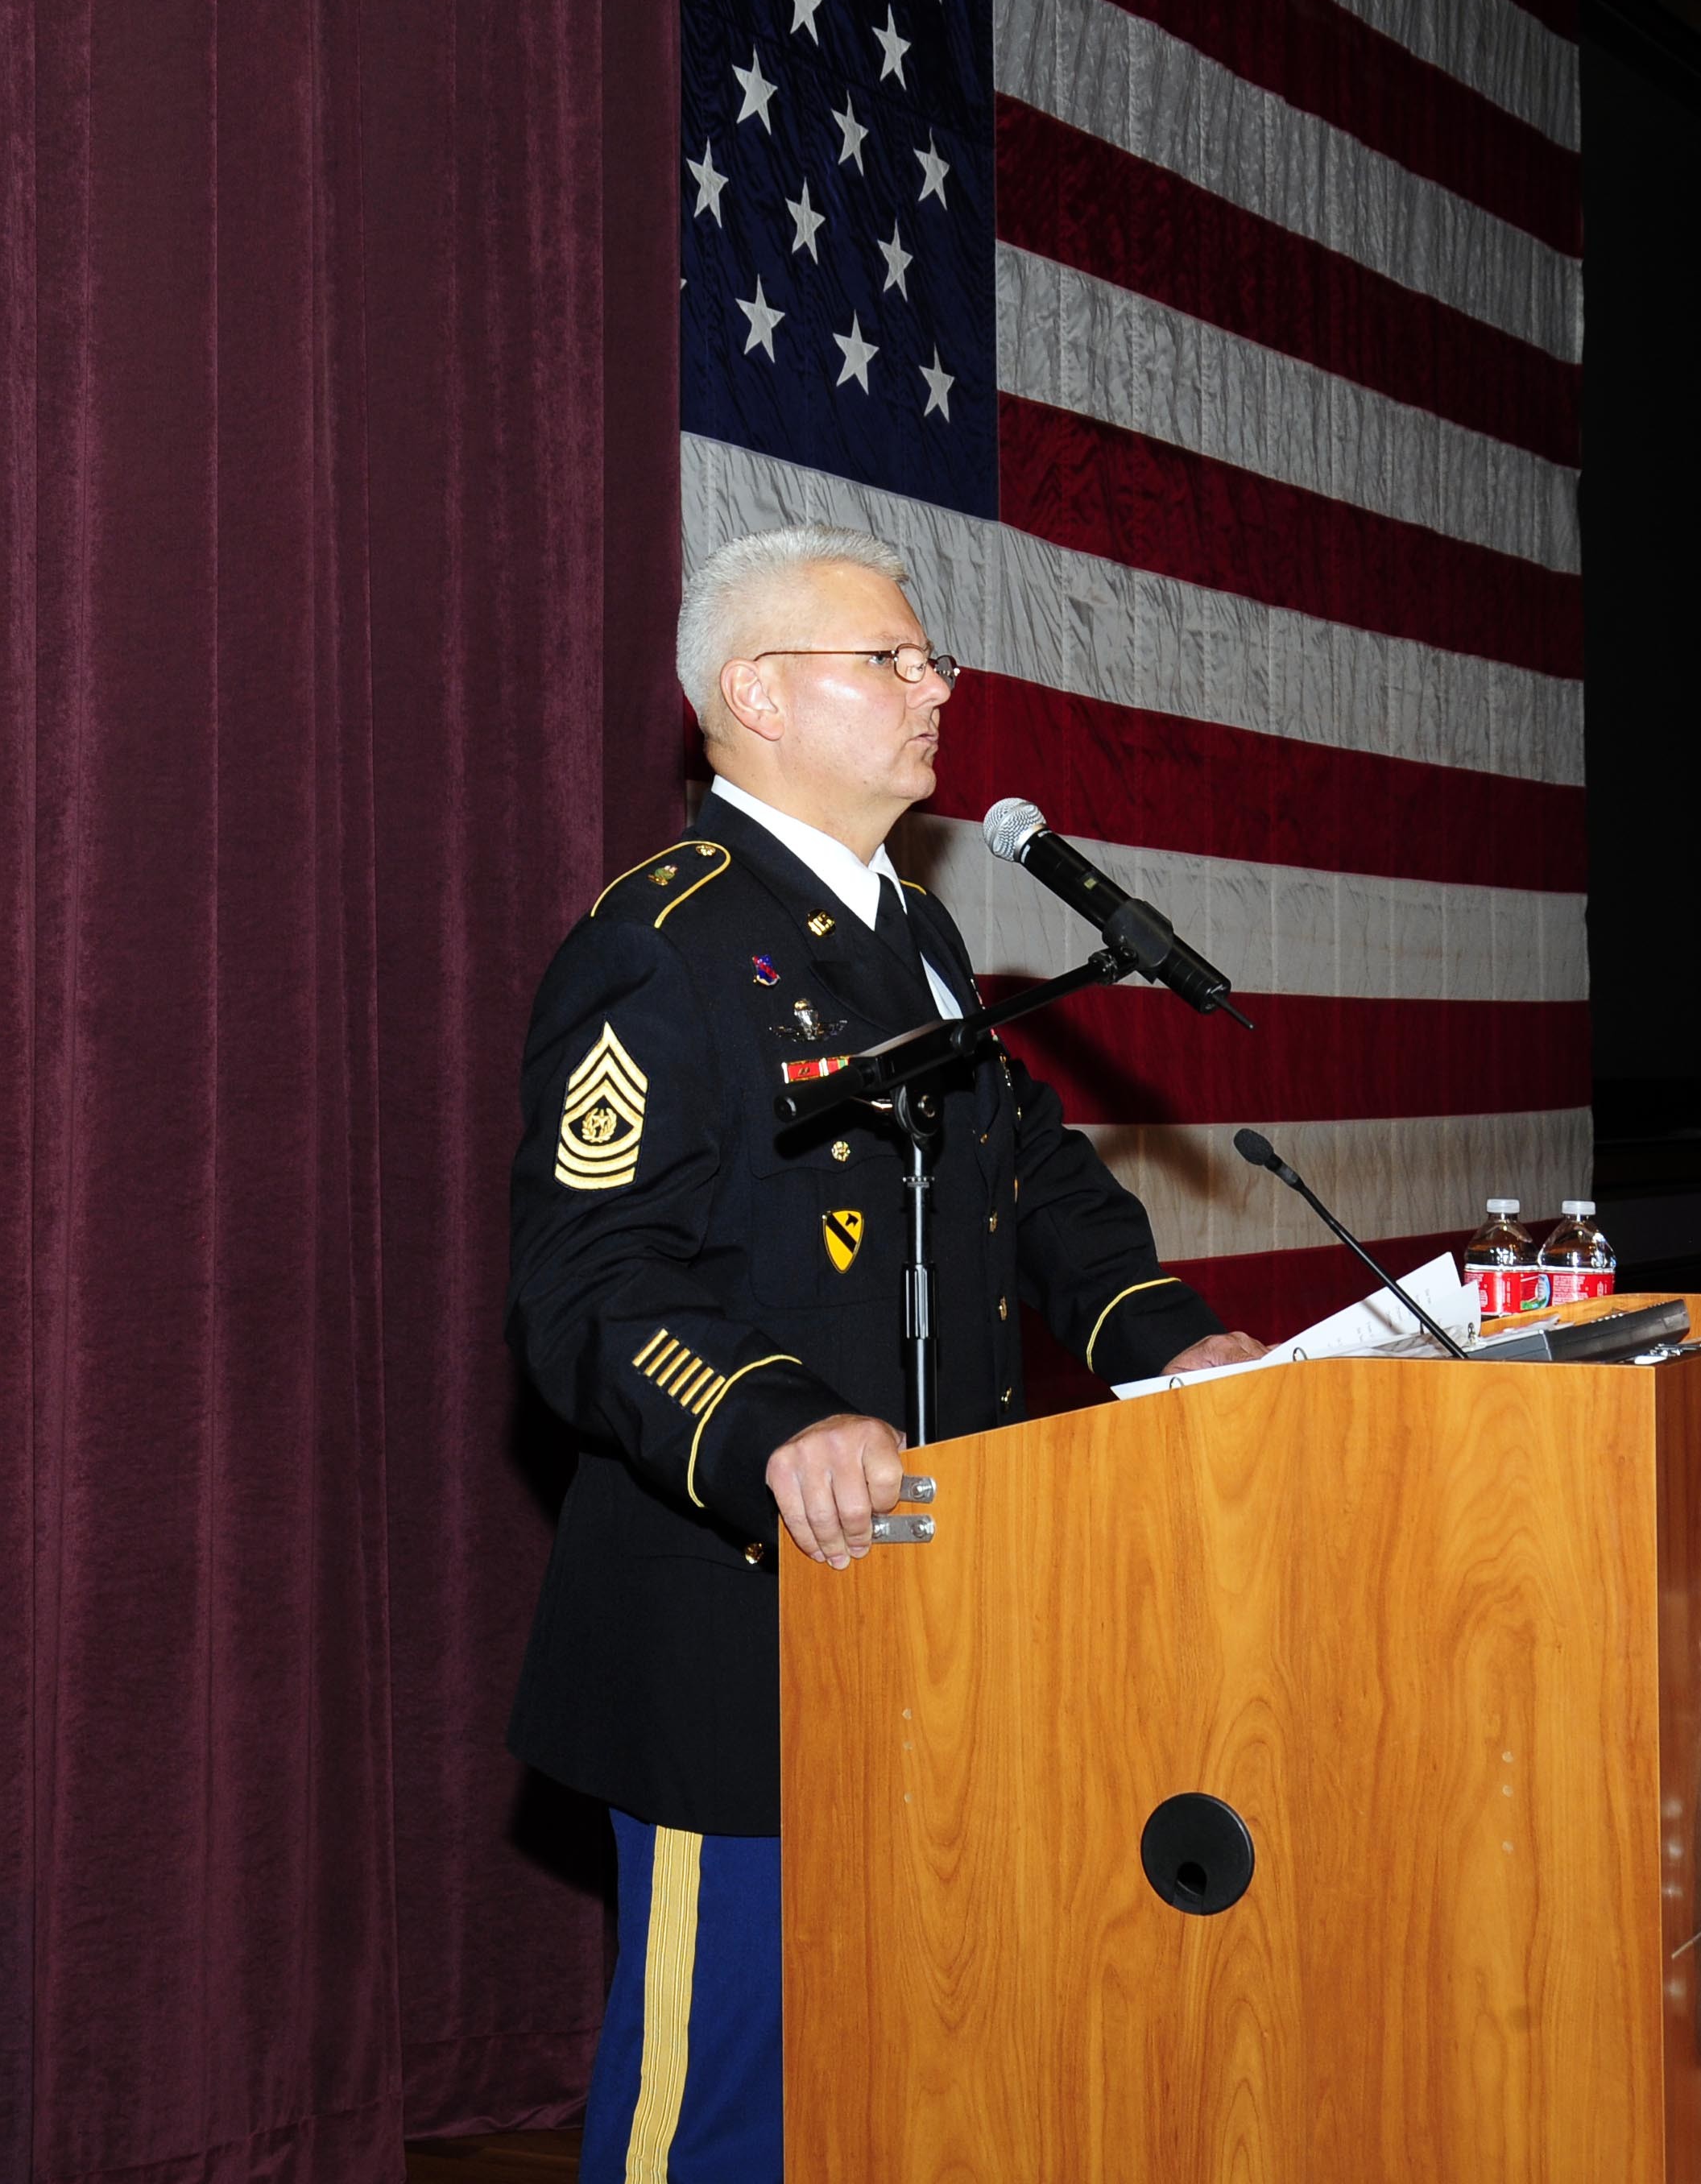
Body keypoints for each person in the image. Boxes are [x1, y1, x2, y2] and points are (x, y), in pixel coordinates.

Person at [506, 523, 1264, 2182]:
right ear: (758, 694)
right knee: (722, 2097)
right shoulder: (662, 941)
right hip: (737, 1614)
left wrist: (1169, 1343)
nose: (937, 687)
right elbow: (586, 1283)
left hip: (934, 1593)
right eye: (892, 659)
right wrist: (775, 1422)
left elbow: (1034, 1178)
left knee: (910, 2047)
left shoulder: (911, 931)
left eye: (930, 658)